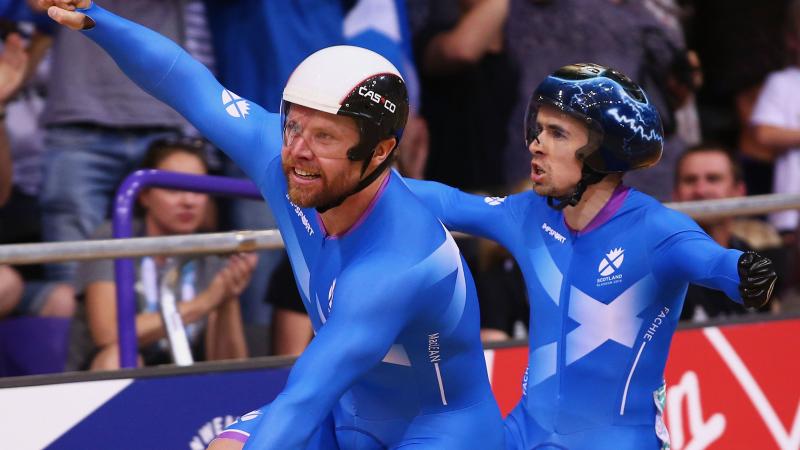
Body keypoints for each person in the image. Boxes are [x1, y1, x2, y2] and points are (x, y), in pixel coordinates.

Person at [42, 2, 504, 449]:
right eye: (294, 126)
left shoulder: (399, 262)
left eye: (324, 137)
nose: (298, 151)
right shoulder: (283, 157)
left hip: (442, 431)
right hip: (347, 413)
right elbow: (186, 83)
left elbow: (302, 402)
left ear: (379, 152)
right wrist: (96, 18)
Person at [405, 64, 777, 449]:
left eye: (557, 133)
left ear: (603, 151)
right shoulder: (528, 214)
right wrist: (369, 175)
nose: (536, 143)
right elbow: (450, 202)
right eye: (538, 129)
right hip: (524, 435)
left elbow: (715, 263)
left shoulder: (657, 229)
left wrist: (745, 272)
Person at [71, 138, 253, 370]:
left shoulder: (212, 251)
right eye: (174, 189)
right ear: (145, 195)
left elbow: (233, 366)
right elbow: (108, 333)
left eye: (199, 190)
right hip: (103, 388)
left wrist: (227, 298)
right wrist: (205, 302)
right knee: (119, 358)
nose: (188, 201)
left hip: (185, 384)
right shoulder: (114, 236)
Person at [673, 144, 785, 321]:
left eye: (713, 179)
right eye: (690, 180)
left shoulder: (755, 258)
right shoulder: (658, 269)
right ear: (675, 195)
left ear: (739, 191)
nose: (701, 190)